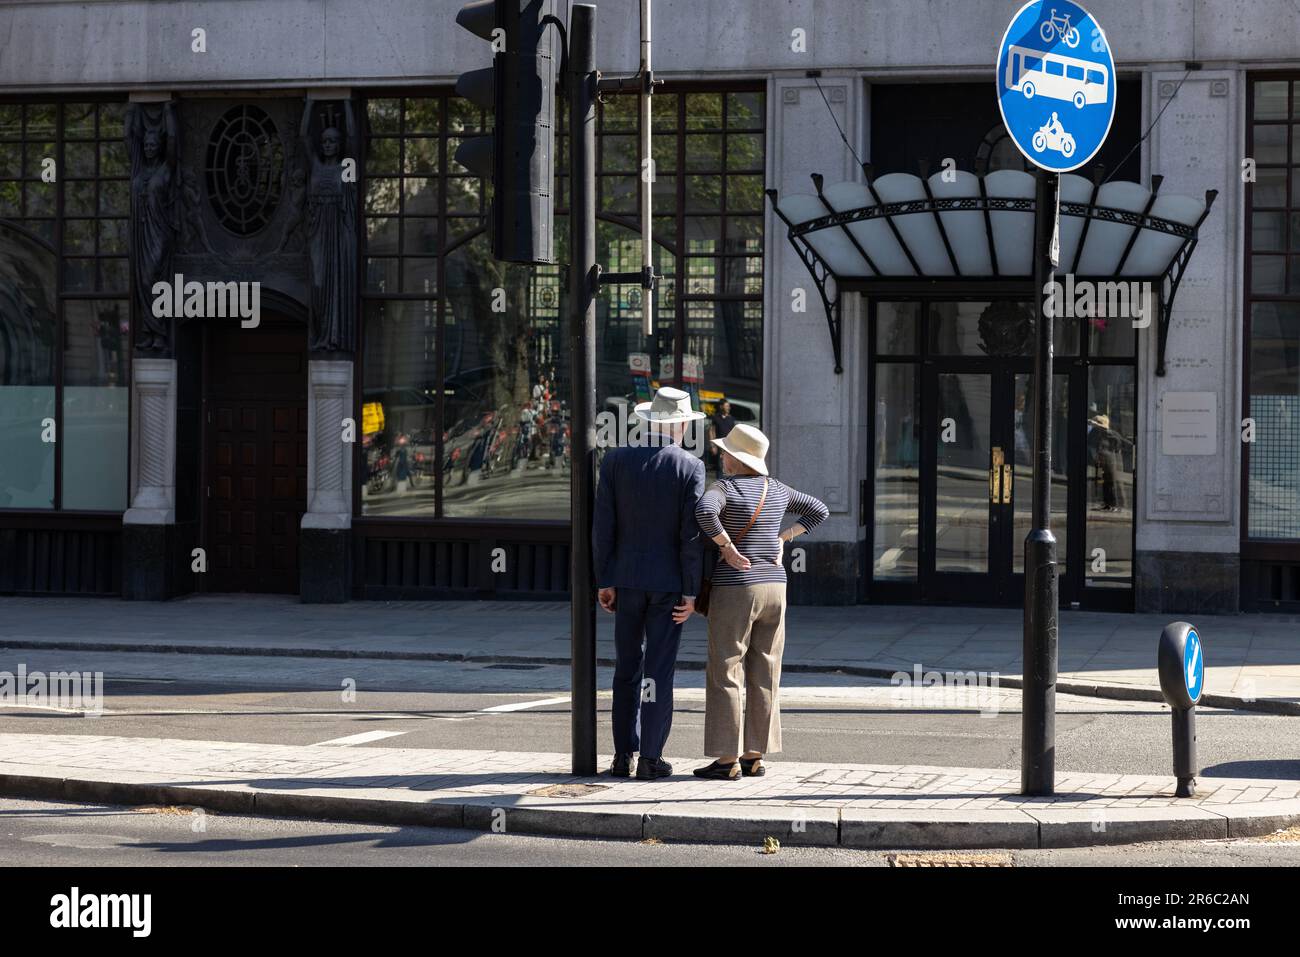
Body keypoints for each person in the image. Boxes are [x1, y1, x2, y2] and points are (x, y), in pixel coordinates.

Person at [691, 424, 829, 780]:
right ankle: (755, 756)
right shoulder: (777, 489)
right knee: (766, 669)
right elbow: (819, 510)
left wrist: (727, 547)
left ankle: (726, 760)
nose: (721, 457)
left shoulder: (724, 487)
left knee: (726, 668)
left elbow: (705, 513)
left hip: (737, 587)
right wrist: (785, 537)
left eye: (725, 453)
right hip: (775, 587)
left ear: (736, 460)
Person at [592, 386, 707, 781]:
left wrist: (605, 579)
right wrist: (692, 592)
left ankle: (623, 754)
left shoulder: (616, 460)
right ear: (679, 424)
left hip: (625, 581)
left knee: (626, 668)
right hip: (669, 585)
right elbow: (690, 537)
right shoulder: (690, 467)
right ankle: (651, 758)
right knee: (659, 670)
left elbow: (602, 527)